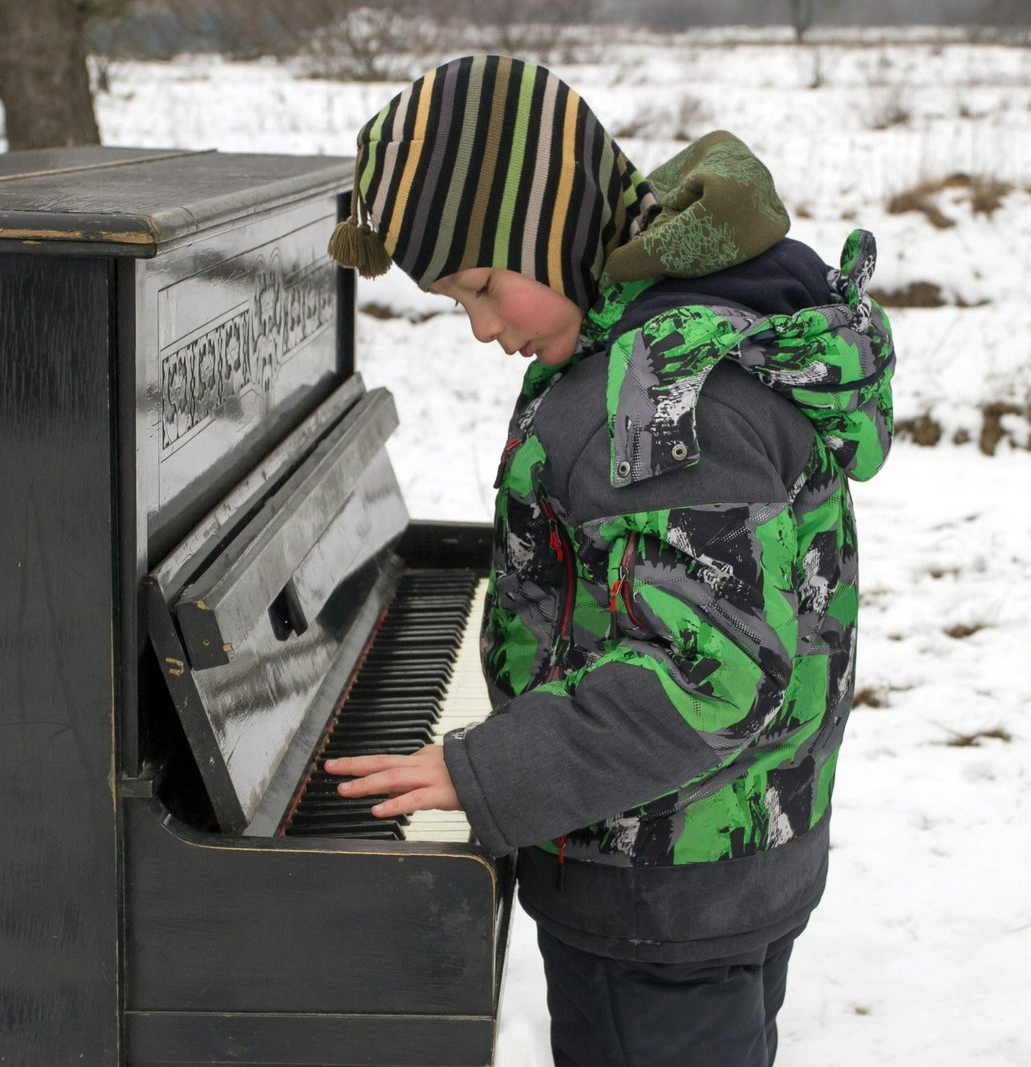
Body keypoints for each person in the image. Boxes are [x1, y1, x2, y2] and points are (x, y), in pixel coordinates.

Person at [324, 54, 895, 1067]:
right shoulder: (669, 321)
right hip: (721, 861)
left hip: (654, 900)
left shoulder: (663, 394)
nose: (482, 326)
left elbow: (706, 673)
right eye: (456, 303)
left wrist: (484, 769)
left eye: (483, 286)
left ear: (542, 225)